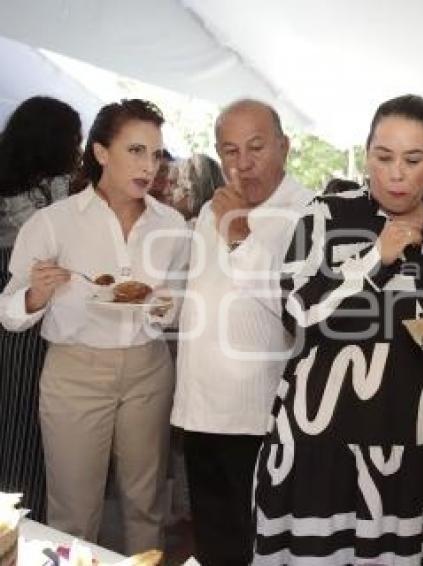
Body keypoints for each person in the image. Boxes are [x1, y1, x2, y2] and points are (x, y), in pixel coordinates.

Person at [252, 94, 423, 564]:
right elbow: (298, 311)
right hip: (326, 434)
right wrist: (375, 257)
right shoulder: (325, 215)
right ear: (366, 153)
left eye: (413, 159)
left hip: (421, 437)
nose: (396, 173)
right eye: (383, 157)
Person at [0, 99, 189, 553]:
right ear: (102, 153)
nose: (150, 166)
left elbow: (177, 303)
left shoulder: (173, 225)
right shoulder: (54, 222)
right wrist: (37, 294)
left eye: (157, 154)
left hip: (148, 368)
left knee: (146, 505)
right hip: (75, 371)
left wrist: (165, 306)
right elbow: (9, 310)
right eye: (136, 151)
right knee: (73, 511)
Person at [169, 99, 313, 565]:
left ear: (284, 147)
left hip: (260, 415)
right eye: (229, 151)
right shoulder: (216, 205)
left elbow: (296, 308)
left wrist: (238, 232)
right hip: (199, 407)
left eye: (256, 147)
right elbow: (208, 291)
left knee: (257, 544)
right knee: (212, 541)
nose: (242, 163)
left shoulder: (309, 211)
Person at [0, 96, 81, 522]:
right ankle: (22, 520)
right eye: (74, 138)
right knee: (26, 420)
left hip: (26, 301)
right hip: (28, 304)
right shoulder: (58, 190)